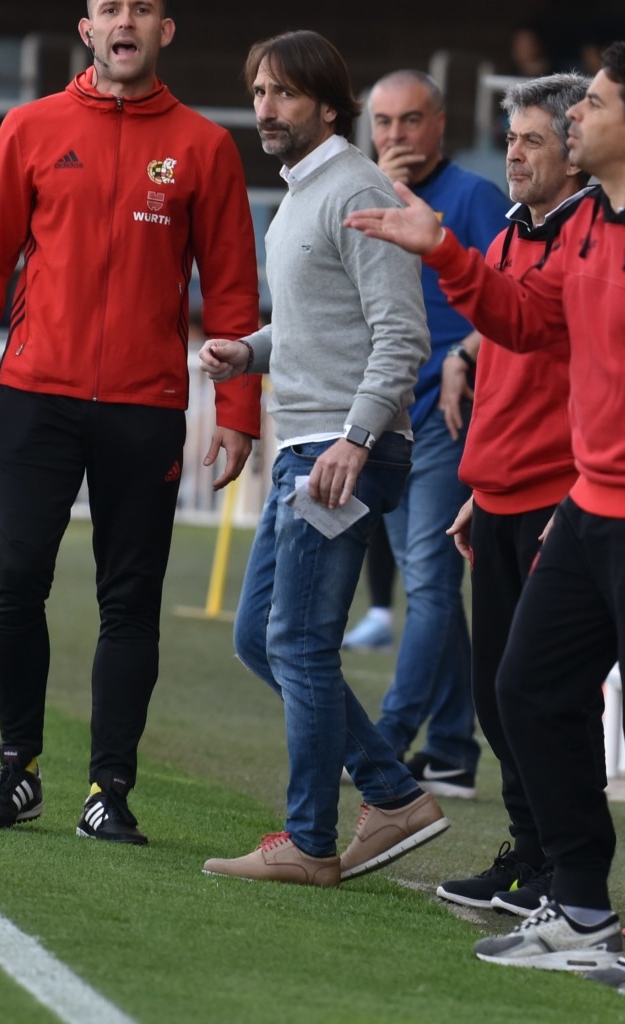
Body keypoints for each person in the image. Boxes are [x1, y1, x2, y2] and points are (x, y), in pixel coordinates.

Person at [345, 41, 625, 1004]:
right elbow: (526, 320)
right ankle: (579, 908)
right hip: (590, 504)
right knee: (525, 690)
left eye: (596, 104)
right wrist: (444, 250)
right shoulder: (593, 225)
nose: (578, 117)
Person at [0, 0, 261, 843]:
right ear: (88, 28)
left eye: (141, 8)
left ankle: (110, 787)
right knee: (15, 579)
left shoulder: (204, 146)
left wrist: (238, 410)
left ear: (164, 31)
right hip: (36, 397)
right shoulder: (28, 128)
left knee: (128, 601)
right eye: (107, 7)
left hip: (146, 407)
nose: (122, 19)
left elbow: (234, 290)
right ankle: (18, 766)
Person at [197, 29, 445, 889]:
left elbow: (401, 333)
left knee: (298, 644)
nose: (265, 109)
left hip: (338, 454)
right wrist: (252, 351)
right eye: (259, 92)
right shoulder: (302, 192)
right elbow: (322, 326)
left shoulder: (357, 189)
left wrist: (356, 437)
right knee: (259, 641)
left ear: (326, 107)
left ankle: (311, 840)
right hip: (307, 445)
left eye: (284, 95)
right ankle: (391, 792)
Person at [426, 71, 591, 912]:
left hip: (561, 497)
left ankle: (567, 871)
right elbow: (503, 350)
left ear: (576, 146)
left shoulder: (587, 238)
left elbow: (539, 334)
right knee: (500, 696)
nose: (514, 154)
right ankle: (532, 855)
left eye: (532, 139)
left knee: (542, 696)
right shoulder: (513, 235)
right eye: (512, 137)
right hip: (497, 496)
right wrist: (480, 482)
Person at [365, 69, 510, 800]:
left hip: (448, 419)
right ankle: (452, 747)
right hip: (382, 420)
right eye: (384, 122)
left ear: (441, 124)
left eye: (410, 120)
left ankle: (388, 738)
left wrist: (463, 359)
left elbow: (511, 298)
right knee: (432, 591)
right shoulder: (360, 196)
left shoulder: (477, 199)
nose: (396, 135)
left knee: (428, 584)